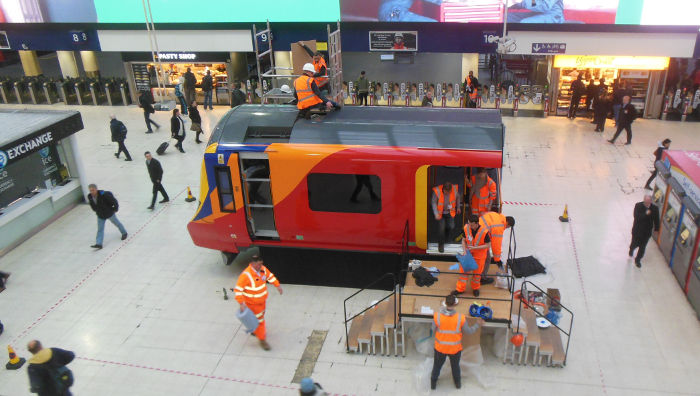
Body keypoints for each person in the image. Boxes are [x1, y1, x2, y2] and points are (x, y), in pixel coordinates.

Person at [233, 248, 283, 350]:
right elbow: (238, 290)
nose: (260, 266)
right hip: (253, 304)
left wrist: (277, 285)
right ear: (252, 264)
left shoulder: (262, 269)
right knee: (260, 321)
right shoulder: (245, 276)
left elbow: (270, 276)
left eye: (261, 263)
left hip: (262, 301)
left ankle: (253, 330)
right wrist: (241, 303)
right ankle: (262, 340)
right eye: (258, 264)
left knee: (259, 319)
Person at [430, 295, 482, 390]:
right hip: (455, 349)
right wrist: (478, 324)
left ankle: (433, 384)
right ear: (455, 304)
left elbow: (432, 330)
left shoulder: (437, 316)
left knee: (437, 367)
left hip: (440, 348)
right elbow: (469, 331)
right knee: (455, 367)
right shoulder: (460, 318)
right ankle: (457, 384)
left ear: (445, 303)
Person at [456, 215, 491, 297]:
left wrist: (476, 247)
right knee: (463, 273)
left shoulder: (484, 232)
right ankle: (459, 289)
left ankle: (475, 288)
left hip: (480, 255)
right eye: (468, 224)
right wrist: (464, 251)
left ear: (477, 223)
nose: (469, 226)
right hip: (468, 253)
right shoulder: (466, 228)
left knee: (477, 274)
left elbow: (488, 245)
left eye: (471, 225)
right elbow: (463, 241)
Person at [87, 184, 127, 250]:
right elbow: (92, 205)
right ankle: (99, 243)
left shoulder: (104, 195)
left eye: (93, 190)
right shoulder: (90, 196)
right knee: (100, 229)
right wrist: (96, 210)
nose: (91, 192)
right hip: (100, 215)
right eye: (90, 190)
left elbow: (114, 201)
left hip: (109, 213)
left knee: (117, 223)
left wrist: (115, 209)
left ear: (96, 189)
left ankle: (124, 233)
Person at [630, 194, 660, 268]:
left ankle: (638, 260)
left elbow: (656, 219)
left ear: (650, 201)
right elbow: (636, 217)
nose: (646, 203)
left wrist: (657, 229)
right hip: (637, 230)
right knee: (634, 243)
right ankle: (631, 249)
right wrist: (645, 214)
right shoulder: (638, 206)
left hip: (646, 232)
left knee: (642, 247)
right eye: (645, 202)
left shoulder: (655, 209)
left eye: (648, 202)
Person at [432, 182, 461, 253]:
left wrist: (458, 207)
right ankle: (441, 245)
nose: (448, 193)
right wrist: (436, 214)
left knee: (451, 226)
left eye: (449, 192)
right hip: (440, 214)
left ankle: (446, 237)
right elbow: (433, 202)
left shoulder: (454, 190)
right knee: (441, 229)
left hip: (449, 212)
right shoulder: (437, 192)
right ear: (443, 189)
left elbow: (458, 197)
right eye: (446, 192)